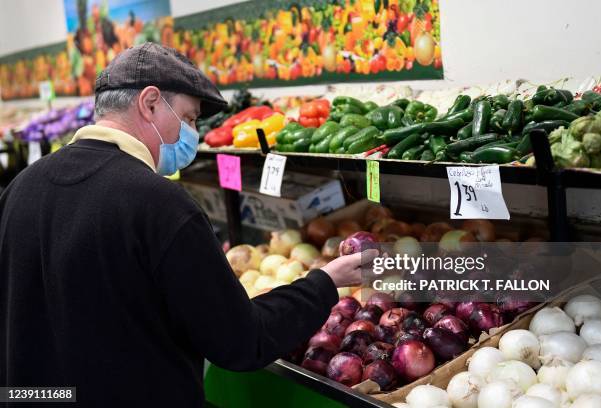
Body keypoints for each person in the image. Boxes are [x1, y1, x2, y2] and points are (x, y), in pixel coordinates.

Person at [0, 43, 374, 407]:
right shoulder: (158, 204)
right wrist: (325, 282)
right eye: (191, 118)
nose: (193, 132)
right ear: (149, 103)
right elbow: (240, 341)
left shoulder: (21, 187)